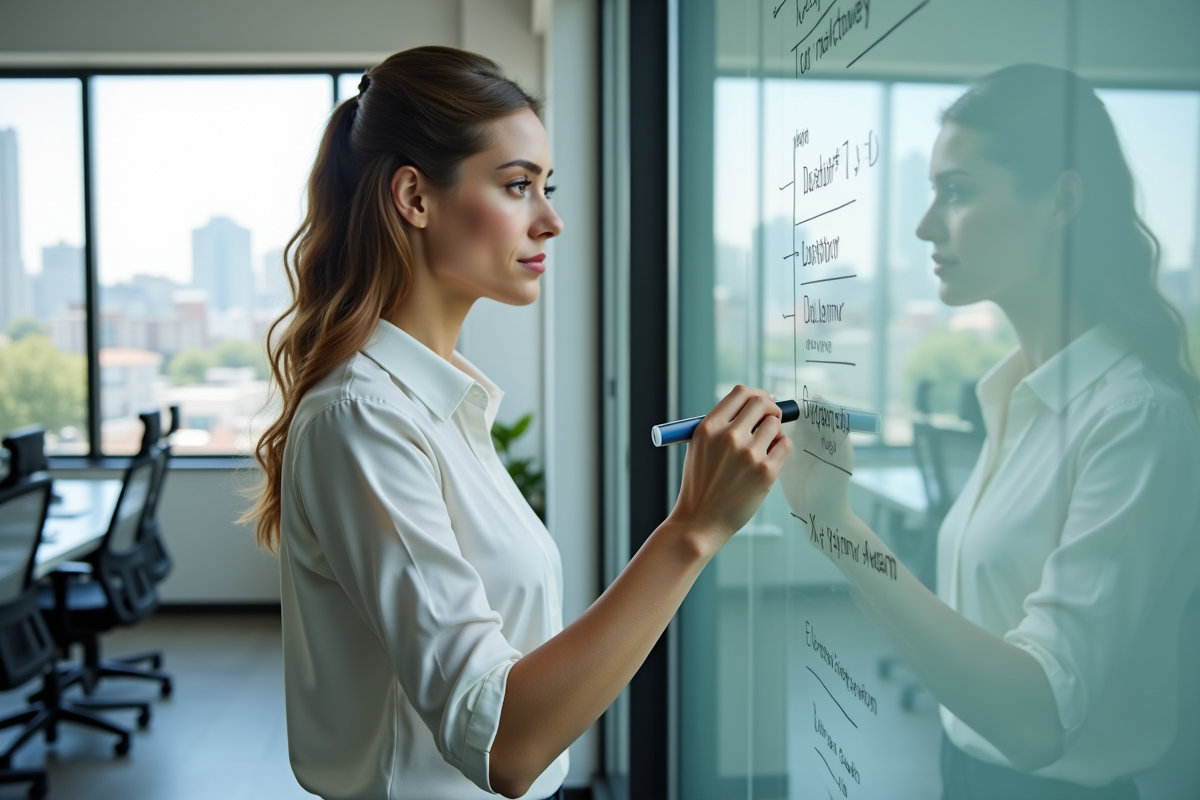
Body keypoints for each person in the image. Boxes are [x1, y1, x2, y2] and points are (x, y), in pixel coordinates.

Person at [245, 46, 792, 800]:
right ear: (414, 197)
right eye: (517, 186)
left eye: (546, 186)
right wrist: (691, 529)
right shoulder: (364, 418)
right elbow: (502, 742)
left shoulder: (437, 405)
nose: (552, 221)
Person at [781, 64, 1200, 799]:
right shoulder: (1011, 396)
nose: (925, 225)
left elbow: (1038, 719)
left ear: (1061, 201)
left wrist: (839, 527)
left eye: (960, 192)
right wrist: (829, 526)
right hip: (963, 774)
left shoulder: (1136, 416)